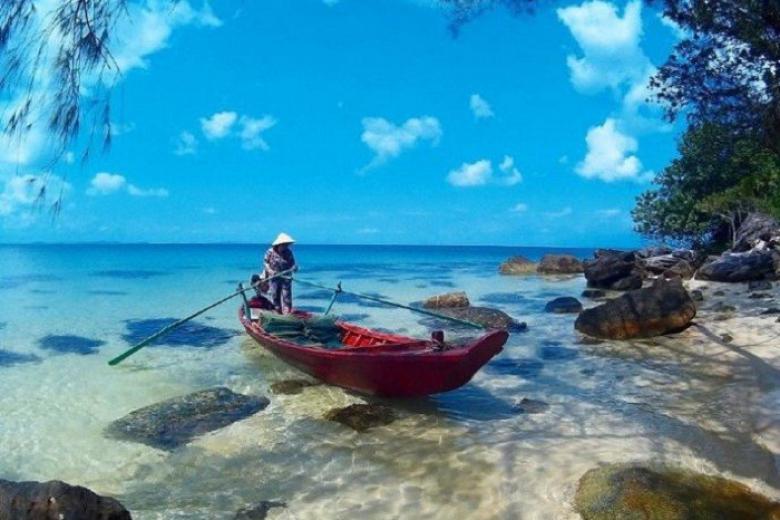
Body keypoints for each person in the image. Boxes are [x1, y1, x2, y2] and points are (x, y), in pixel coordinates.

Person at [263, 232, 297, 313]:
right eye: (284, 245)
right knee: (275, 296)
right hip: (274, 277)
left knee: (287, 297)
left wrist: (294, 268)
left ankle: (287, 314)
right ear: (279, 244)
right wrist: (271, 271)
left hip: (286, 277)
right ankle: (277, 312)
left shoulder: (288, 252)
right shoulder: (270, 252)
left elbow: (293, 264)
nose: (285, 246)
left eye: (287, 245)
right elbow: (265, 263)